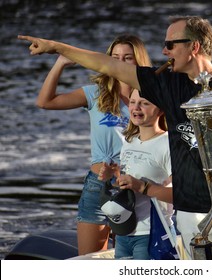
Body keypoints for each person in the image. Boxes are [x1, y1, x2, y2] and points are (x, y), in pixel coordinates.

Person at [18, 15, 212, 259]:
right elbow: (107, 65)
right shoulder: (167, 84)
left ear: (194, 46)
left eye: (170, 44)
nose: (164, 52)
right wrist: (56, 47)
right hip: (188, 212)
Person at [33, 34, 152, 255]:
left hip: (137, 187)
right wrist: (60, 64)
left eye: (127, 58)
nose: (119, 62)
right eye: (115, 57)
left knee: (130, 259)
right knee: (89, 262)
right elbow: (44, 102)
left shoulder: (152, 98)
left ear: (139, 61)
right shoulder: (96, 94)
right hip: (98, 186)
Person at [98, 89, 175, 259]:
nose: (136, 107)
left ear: (161, 110)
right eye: (133, 102)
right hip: (123, 232)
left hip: (152, 234)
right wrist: (115, 175)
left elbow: (181, 195)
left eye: (145, 103)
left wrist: (141, 186)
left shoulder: (169, 144)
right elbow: (129, 184)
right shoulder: (129, 141)